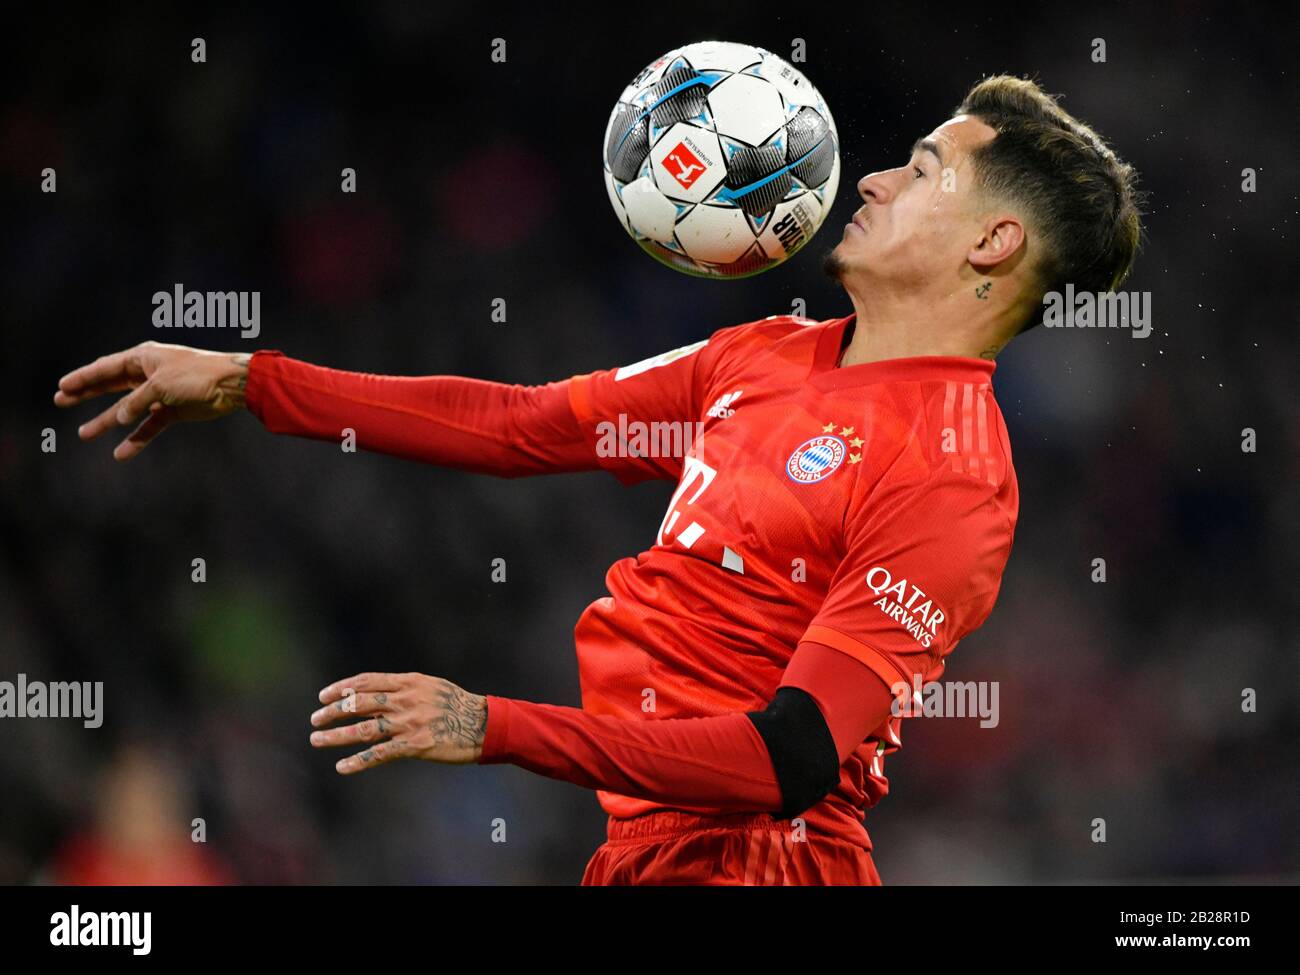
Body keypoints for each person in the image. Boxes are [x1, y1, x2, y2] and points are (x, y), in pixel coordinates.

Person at [53, 75, 1143, 885]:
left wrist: (492, 728)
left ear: (994, 242)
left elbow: (791, 758)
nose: (872, 176)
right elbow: (518, 426)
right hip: (642, 851)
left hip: (763, 869)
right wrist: (253, 380)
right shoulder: (762, 357)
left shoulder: (952, 479)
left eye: (924, 167)